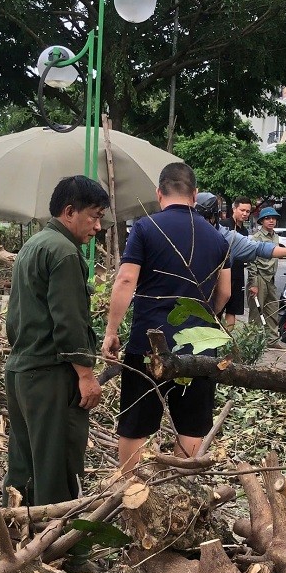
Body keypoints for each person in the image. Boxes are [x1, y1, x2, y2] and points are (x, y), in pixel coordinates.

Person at [103, 164, 231, 473]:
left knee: (135, 423)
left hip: (148, 345)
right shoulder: (218, 239)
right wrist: (203, 319)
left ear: (159, 193)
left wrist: (111, 330)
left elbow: (124, 281)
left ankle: (130, 490)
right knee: (191, 425)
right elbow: (225, 292)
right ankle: (178, 491)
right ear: (195, 195)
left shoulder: (146, 228)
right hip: (199, 349)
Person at [3, 176, 108, 508]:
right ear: (69, 212)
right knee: (57, 468)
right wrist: (86, 375)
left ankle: (18, 537)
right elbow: (70, 322)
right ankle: (62, 552)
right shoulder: (64, 252)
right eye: (94, 216)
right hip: (50, 375)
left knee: (25, 463)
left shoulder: (35, 245)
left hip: (22, 372)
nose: (98, 226)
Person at [196, 192, 286, 266]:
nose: (271, 221)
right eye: (242, 210)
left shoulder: (226, 235)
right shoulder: (224, 234)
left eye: (247, 211)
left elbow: (259, 248)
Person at [248, 208, 285, 348]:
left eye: (274, 218)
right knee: (256, 312)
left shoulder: (275, 236)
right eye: (268, 218)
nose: (271, 221)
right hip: (258, 277)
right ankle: (252, 343)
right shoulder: (256, 237)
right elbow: (251, 261)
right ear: (262, 221)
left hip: (271, 277)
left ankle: (272, 340)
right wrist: (253, 283)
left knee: (273, 309)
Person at [218, 197, 252, 329]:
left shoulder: (245, 231)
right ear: (234, 209)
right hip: (222, 273)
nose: (245, 214)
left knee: (233, 310)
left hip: (238, 275)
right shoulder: (223, 225)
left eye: (248, 211)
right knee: (218, 310)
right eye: (242, 210)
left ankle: (227, 344)